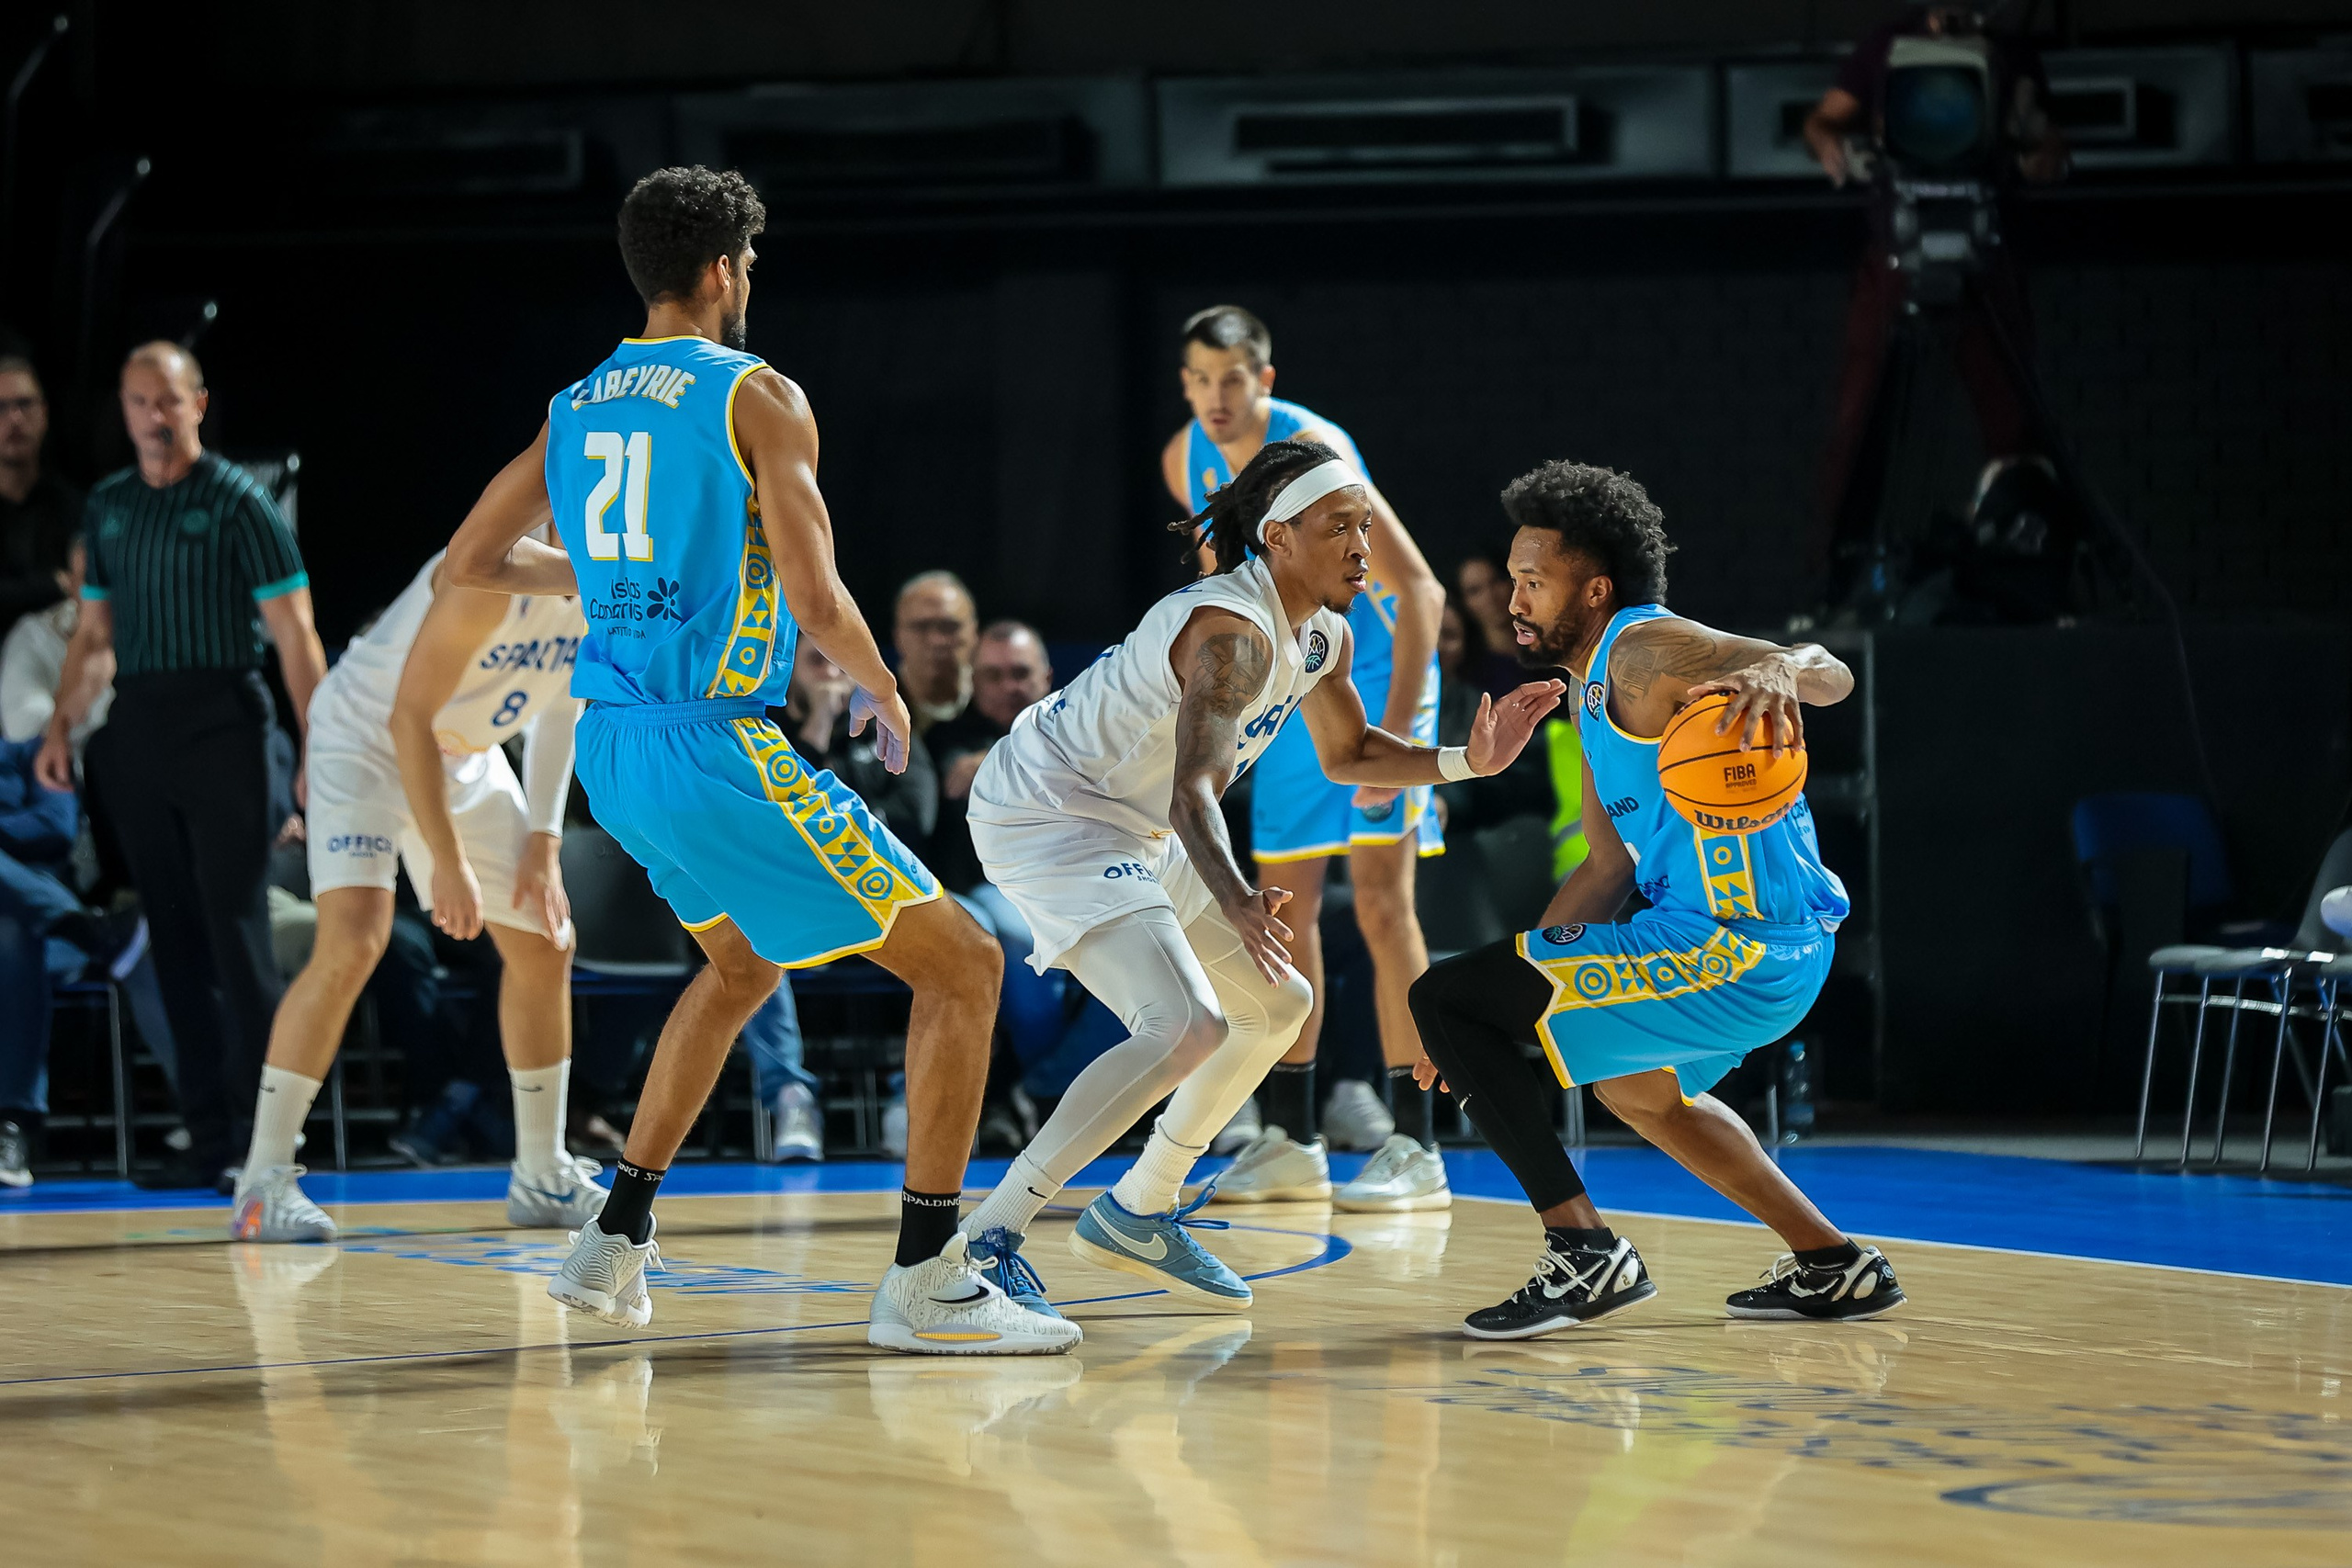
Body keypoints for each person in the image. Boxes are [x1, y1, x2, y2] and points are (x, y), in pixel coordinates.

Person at [443, 164, 1074, 1355]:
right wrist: (884, 687)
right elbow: (822, 594)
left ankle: (614, 1233)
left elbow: (469, 563)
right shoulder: (758, 394)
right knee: (965, 966)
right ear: (727, 269)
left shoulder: (576, 401)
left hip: (615, 752)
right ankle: (926, 1275)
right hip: (714, 737)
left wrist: (606, 576)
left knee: (737, 969)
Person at [959, 436, 1560, 1311]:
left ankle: (1143, 1205)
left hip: (1136, 821)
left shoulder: (1324, 637)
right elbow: (1191, 788)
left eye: (1365, 527)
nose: (1363, 547)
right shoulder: (1230, 635)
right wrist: (1238, 899)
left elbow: (1351, 752)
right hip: (1048, 813)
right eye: (1339, 528)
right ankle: (990, 1236)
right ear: (1278, 537)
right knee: (1183, 1023)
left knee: (1279, 1003)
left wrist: (1467, 760)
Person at [1407, 459, 1905, 1338]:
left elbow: (1834, 675)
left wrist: (1782, 669)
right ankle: (1834, 1262)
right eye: (1513, 579)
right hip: (1730, 943)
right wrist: (1503, 1005)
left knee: (1439, 994)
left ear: (1594, 588)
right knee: (1635, 1091)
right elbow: (1604, 867)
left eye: (1534, 581)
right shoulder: (1587, 693)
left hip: (1740, 944)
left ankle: (1586, 1255)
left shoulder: (1644, 646)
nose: (1514, 600)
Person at [1159, 304, 1455, 1214]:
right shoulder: (1183, 457)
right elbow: (1229, 596)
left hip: (1380, 676)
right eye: (1200, 380)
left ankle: (1416, 1143)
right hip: (1292, 685)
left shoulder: (1317, 450)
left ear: (1265, 381)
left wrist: (1392, 739)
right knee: (1284, 914)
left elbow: (1421, 591)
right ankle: (1292, 1138)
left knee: (1379, 905)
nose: (1216, 397)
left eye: (1233, 379)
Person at [227, 545, 605, 1242]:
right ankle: (263, 1179)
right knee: (354, 941)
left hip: (463, 752)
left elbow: (559, 712)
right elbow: (408, 721)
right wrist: (450, 862)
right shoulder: (501, 555)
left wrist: (544, 841)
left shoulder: (612, 575)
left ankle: (542, 1171)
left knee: (548, 940)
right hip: (367, 738)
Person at [37, 343, 328, 1190]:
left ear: (197, 403)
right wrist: (62, 725)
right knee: (170, 933)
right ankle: (207, 1138)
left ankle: (267, 1139)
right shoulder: (110, 505)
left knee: (237, 929)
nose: (154, 417)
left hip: (226, 725)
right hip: (142, 724)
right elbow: (93, 636)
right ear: (122, 411)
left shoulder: (241, 501)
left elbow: (295, 636)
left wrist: (316, 749)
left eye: (168, 401)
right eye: (138, 403)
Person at [1803, 2, 2068, 592]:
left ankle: (2033, 560)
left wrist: (2040, 153)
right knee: (1861, 414)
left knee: (2014, 417)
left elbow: (2046, 142)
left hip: (1983, 252)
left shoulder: (2011, 56)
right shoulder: (1885, 45)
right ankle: (1838, 574)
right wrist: (1833, 148)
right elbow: (1824, 122)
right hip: (1899, 250)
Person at [0, 734, 148, 1187]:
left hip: (34, 939)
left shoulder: (34, 750)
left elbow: (56, 824)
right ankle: (88, 929)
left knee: (12, 934)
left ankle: (9, 1127)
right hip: (59, 927)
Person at [0, 351, 81, 646]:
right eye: (1, 408)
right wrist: (53, 584)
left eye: (24, 404)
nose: (15, 418)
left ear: (44, 414)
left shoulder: (74, 507)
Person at [2, 536, 113, 749]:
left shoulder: (165, 639)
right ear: (69, 583)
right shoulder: (36, 637)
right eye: (92, 581)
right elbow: (25, 737)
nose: (106, 594)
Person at [892, 570, 976, 735]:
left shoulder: (1000, 702)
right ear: (898, 637)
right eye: (921, 627)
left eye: (949, 627)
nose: (936, 641)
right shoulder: (869, 710)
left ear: (974, 632)